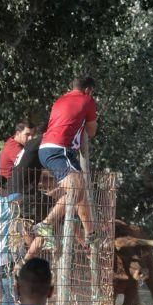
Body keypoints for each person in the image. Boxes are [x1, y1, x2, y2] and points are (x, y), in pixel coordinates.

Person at [34, 76, 100, 247]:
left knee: (80, 191)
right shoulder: (87, 100)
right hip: (59, 149)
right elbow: (92, 131)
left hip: (51, 148)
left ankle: (91, 233)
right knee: (75, 190)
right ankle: (46, 224)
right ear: (88, 90)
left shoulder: (60, 100)